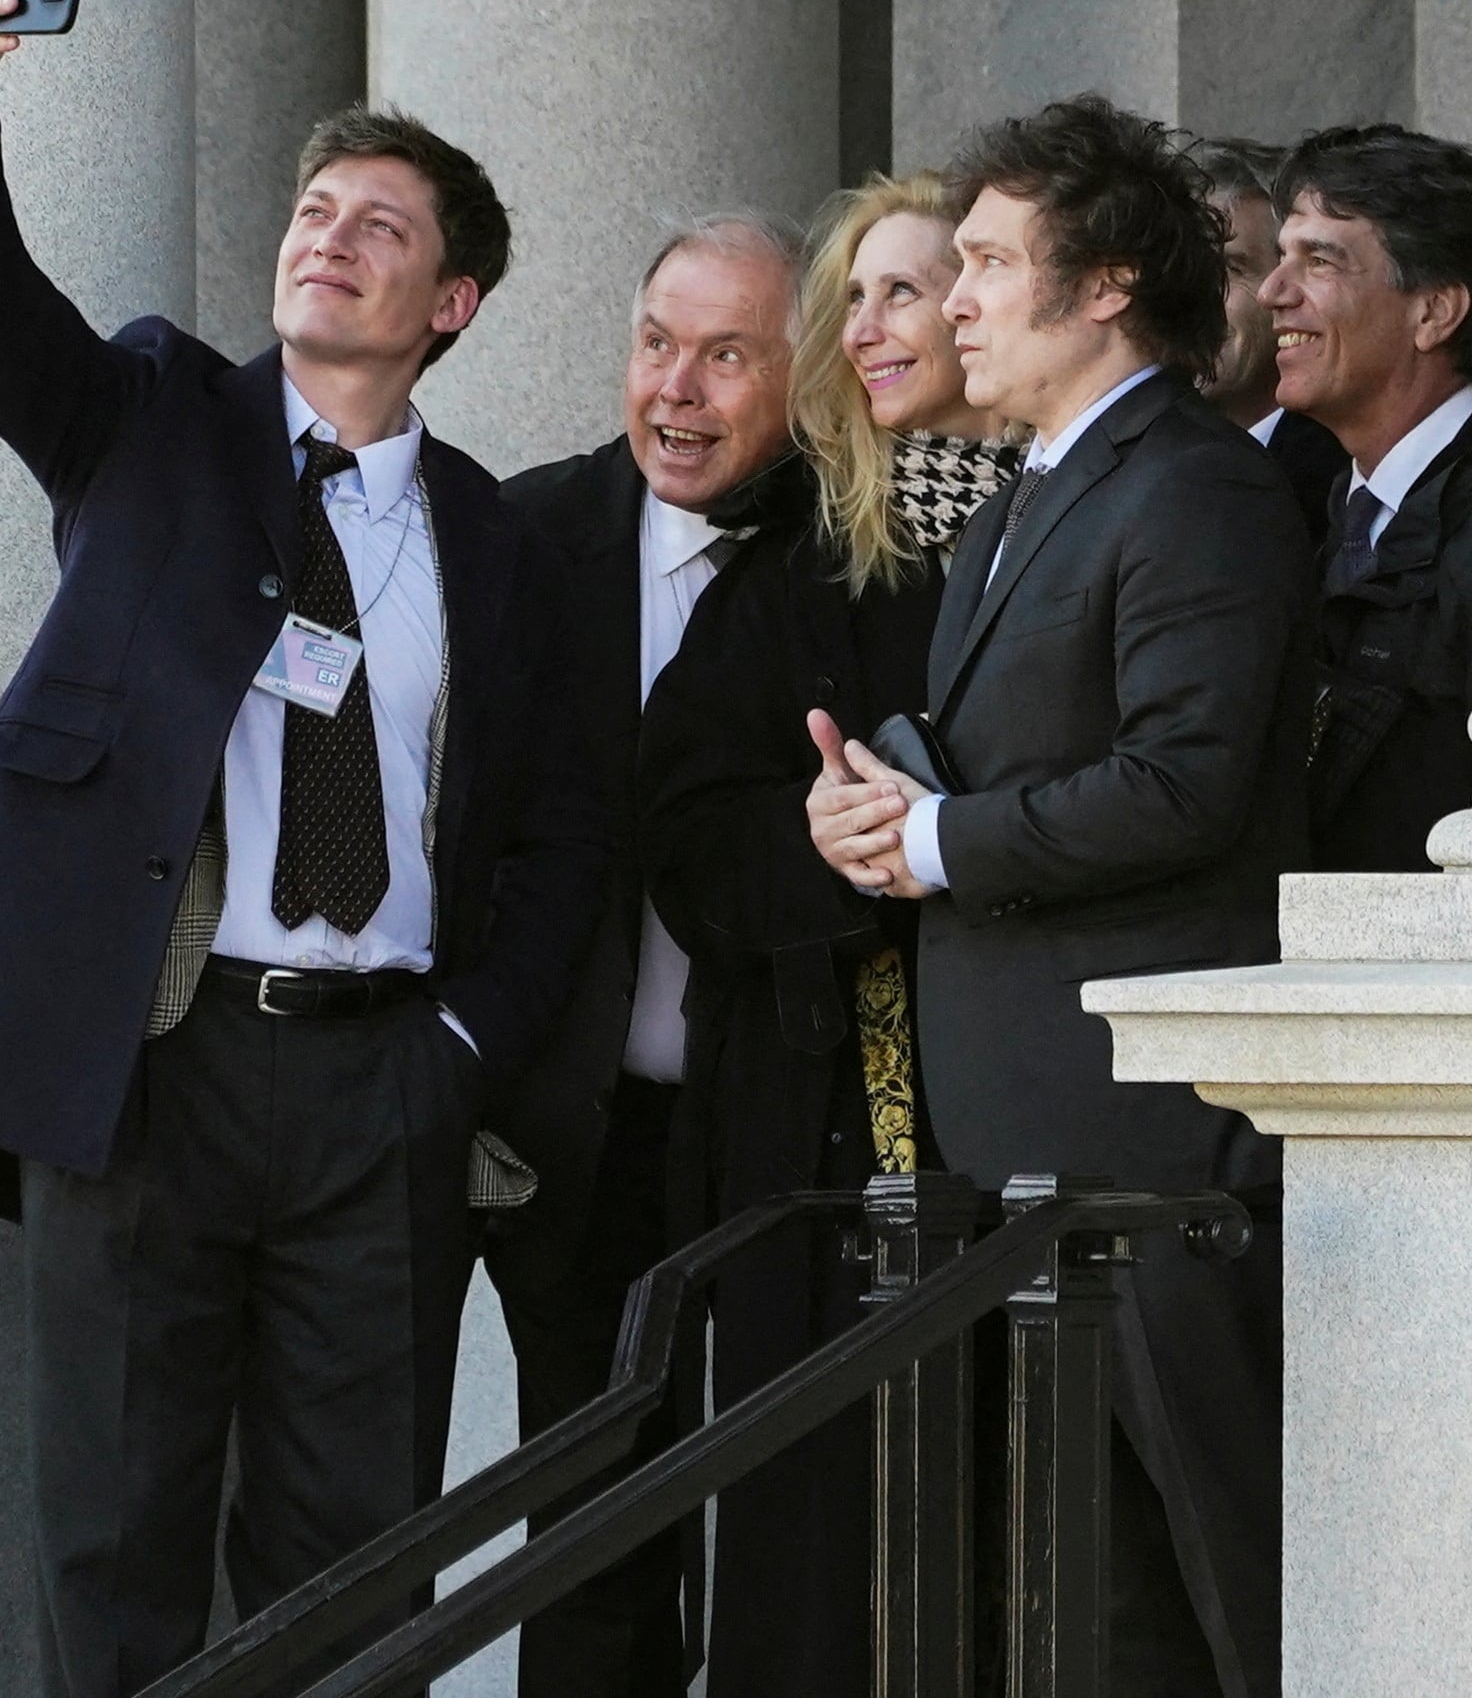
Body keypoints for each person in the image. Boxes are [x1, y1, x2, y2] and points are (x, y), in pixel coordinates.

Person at [0, 0, 606, 1698]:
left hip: (381, 1078)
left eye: (381, 227)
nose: (330, 237)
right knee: (116, 1528)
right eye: (315, 210)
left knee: (356, 1549)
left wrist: (457, 1049)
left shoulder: (494, 543)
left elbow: (548, 841)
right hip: (153, 1066)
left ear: (451, 302)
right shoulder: (152, 420)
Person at [803, 94, 1309, 1698]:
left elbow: (1185, 783)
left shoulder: (1196, 486)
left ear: (1102, 289)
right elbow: (1000, 765)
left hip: (1150, 1144)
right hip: (1035, 1145)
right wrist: (876, 821)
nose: (951, 300)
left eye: (986, 264)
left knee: (1225, 1585)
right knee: (1101, 1606)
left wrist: (943, 843)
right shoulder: (1024, 494)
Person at [634, 172, 1021, 1695]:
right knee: (819, 1537)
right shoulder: (794, 556)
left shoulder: (1079, 516)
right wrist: (820, 846)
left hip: (1033, 1096)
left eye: (907, 290)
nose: (869, 327)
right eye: (850, 298)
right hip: (823, 1124)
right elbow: (685, 823)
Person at [493, 211, 807, 1697]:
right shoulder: (521, 537)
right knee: (590, 1519)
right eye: (655, 345)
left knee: (788, 1522)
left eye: (727, 354)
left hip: (780, 1130)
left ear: (802, 377)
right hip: (577, 1124)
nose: (676, 390)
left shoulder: (858, 550)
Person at [1258, 124, 1472, 872]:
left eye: (1319, 260)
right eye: (1281, 258)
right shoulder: (1316, 510)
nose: (1273, 292)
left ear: (1434, 312)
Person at [1193, 136, 1347, 536]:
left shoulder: (1342, 479)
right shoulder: (1129, 458)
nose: (1189, 296)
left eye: (1229, 268)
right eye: (1177, 268)